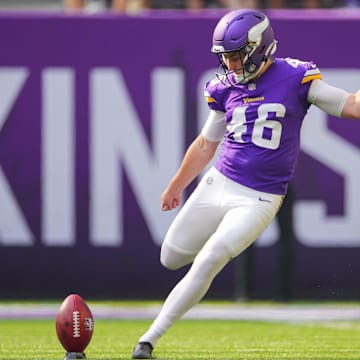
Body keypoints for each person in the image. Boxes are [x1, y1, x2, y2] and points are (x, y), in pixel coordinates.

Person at [132, 9, 360, 359]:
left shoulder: (297, 77)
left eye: (237, 55)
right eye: (226, 57)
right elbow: (206, 143)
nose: (232, 64)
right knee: (171, 257)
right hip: (218, 183)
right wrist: (176, 185)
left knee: (210, 258)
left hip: (259, 198)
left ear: (260, 48)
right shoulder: (225, 87)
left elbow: (350, 105)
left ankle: (148, 340)